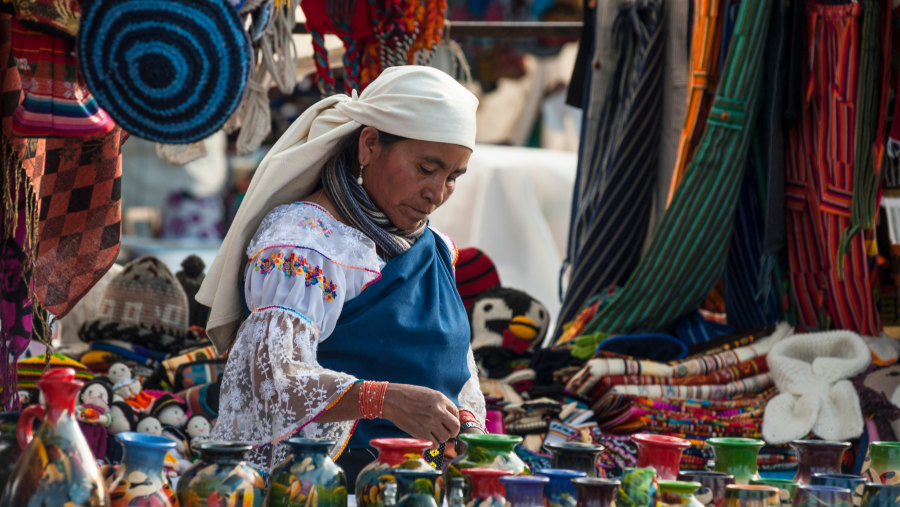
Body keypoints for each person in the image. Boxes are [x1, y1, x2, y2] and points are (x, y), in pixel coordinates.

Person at [197, 66, 486, 477]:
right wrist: (382, 399)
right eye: (426, 169)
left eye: (453, 177)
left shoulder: (437, 249)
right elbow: (273, 380)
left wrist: (464, 423)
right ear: (369, 145)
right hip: (323, 486)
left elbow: (455, 371)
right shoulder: (303, 243)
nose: (437, 194)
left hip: (418, 486)